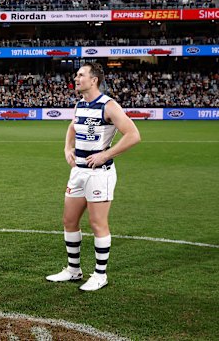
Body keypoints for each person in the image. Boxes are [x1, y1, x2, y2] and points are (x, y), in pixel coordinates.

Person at [46, 62, 141, 291]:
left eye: (81, 75)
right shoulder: (80, 105)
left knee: (97, 223)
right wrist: (67, 149)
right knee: (69, 221)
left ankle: (100, 274)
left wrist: (105, 154)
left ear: (94, 80)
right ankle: (73, 270)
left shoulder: (108, 105)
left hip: (99, 173)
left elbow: (134, 135)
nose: (76, 78)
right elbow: (72, 127)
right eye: (77, 75)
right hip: (78, 171)